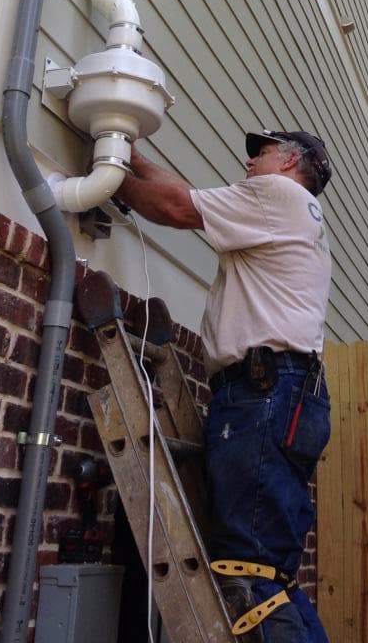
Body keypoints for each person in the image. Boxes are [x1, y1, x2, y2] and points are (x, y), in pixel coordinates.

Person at [116, 128, 333, 642]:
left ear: (290, 162)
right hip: (291, 395)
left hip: (264, 392)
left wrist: (111, 176)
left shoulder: (276, 195)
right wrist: (132, 158)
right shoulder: (295, 213)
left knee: (247, 578)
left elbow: (175, 208)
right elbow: (187, 194)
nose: (249, 160)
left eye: (261, 152)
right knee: (271, 575)